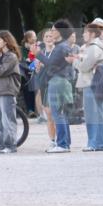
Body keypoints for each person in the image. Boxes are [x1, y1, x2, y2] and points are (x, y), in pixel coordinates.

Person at [37, 20, 77, 153]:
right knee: (62, 114)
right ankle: (65, 143)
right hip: (62, 82)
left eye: (53, 30)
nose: (51, 32)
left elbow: (49, 64)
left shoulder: (61, 47)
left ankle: (62, 144)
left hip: (58, 82)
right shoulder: (64, 46)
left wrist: (38, 54)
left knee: (57, 113)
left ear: (60, 32)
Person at [74, 18, 103, 152]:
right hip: (93, 83)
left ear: (92, 34)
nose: (83, 35)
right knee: (96, 113)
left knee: (93, 114)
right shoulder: (91, 47)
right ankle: (96, 142)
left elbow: (84, 66)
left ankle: (95, 143)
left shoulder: (93, 48)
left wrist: (75, 60)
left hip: (91, 83)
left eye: (85, 32)